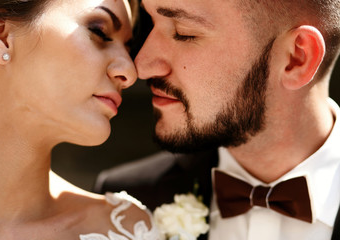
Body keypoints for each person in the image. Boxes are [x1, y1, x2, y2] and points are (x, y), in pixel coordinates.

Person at [94, 0, 340, 239]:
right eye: (150, 23)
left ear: (296, 58)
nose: (142, 66)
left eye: (184, 33)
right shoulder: (122, 202)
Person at [0, 0, 164, 239]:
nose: (129, 72)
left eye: (128, 49)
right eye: (99, 32)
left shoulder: (126, 230)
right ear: (0, 34)